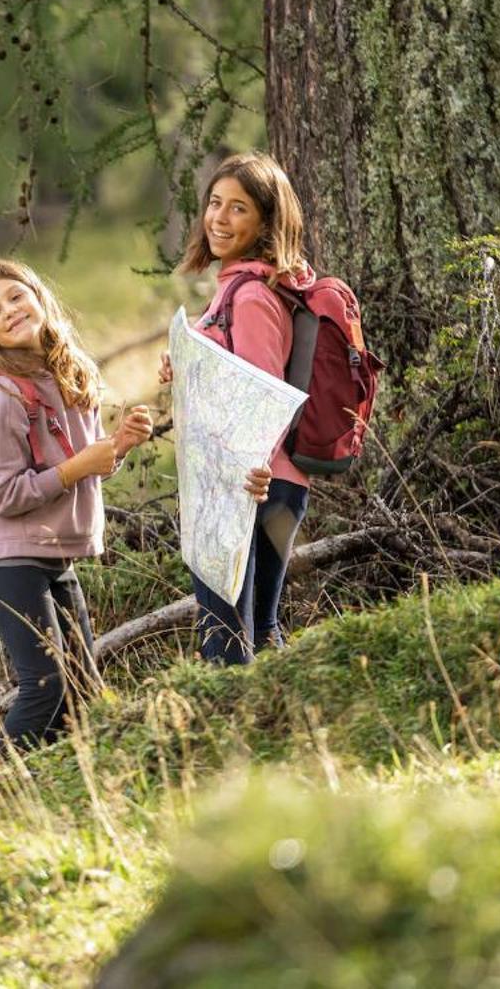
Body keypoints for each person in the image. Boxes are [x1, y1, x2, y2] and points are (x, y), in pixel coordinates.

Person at [0, 259, 152, 749]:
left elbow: (83, 461)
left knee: (82, 687)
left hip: (53, 548)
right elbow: (6, 495)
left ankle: (68, 791)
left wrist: (116, 446)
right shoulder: (1, 398)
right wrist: (82, 465)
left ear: (39, 296)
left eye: (16, 296)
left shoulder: (67, 371)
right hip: (10, 555)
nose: (11, 311)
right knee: (45, 688)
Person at [159, 151, 310, 665]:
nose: (219, 219)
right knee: (259, 634)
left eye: (238, 208)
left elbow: (262, 395)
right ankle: (280, 729)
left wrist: (254, 469)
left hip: (251, 486)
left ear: (267, 221)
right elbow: (232, 377)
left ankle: (234, 739)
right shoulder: (238, 287)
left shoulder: (251, 296)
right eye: (215, 203)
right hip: (262, 482)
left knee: (226, 640)